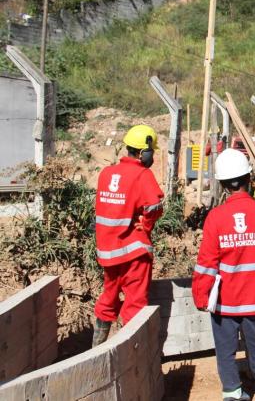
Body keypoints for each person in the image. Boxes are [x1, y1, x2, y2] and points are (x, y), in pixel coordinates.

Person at [192, 149, 255, 401]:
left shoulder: (215, 217)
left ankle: (233, 393)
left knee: (225, 350)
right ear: (249, 179)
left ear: (223, 184)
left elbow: (206, 263)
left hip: (225, 302)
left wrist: (201, 296)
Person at [92, 125, 164, 346]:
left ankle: (96, 350)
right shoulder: (142, 174)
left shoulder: (106, 173)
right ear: (144, 152)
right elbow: (154, 206)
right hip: (133, 251)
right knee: (135, 303)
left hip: (108, 251)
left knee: (108, 297)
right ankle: (132, 352)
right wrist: (146, 225)